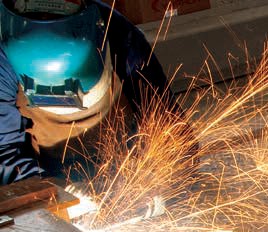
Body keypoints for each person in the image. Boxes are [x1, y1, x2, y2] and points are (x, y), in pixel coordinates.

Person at [0, 0, 190, 185]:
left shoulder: (118, 34)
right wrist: (47, 189)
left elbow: (167, 120)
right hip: (43, 164)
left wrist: (169, 175)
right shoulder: (3, 57)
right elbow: (5, 150)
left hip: (123, 159)